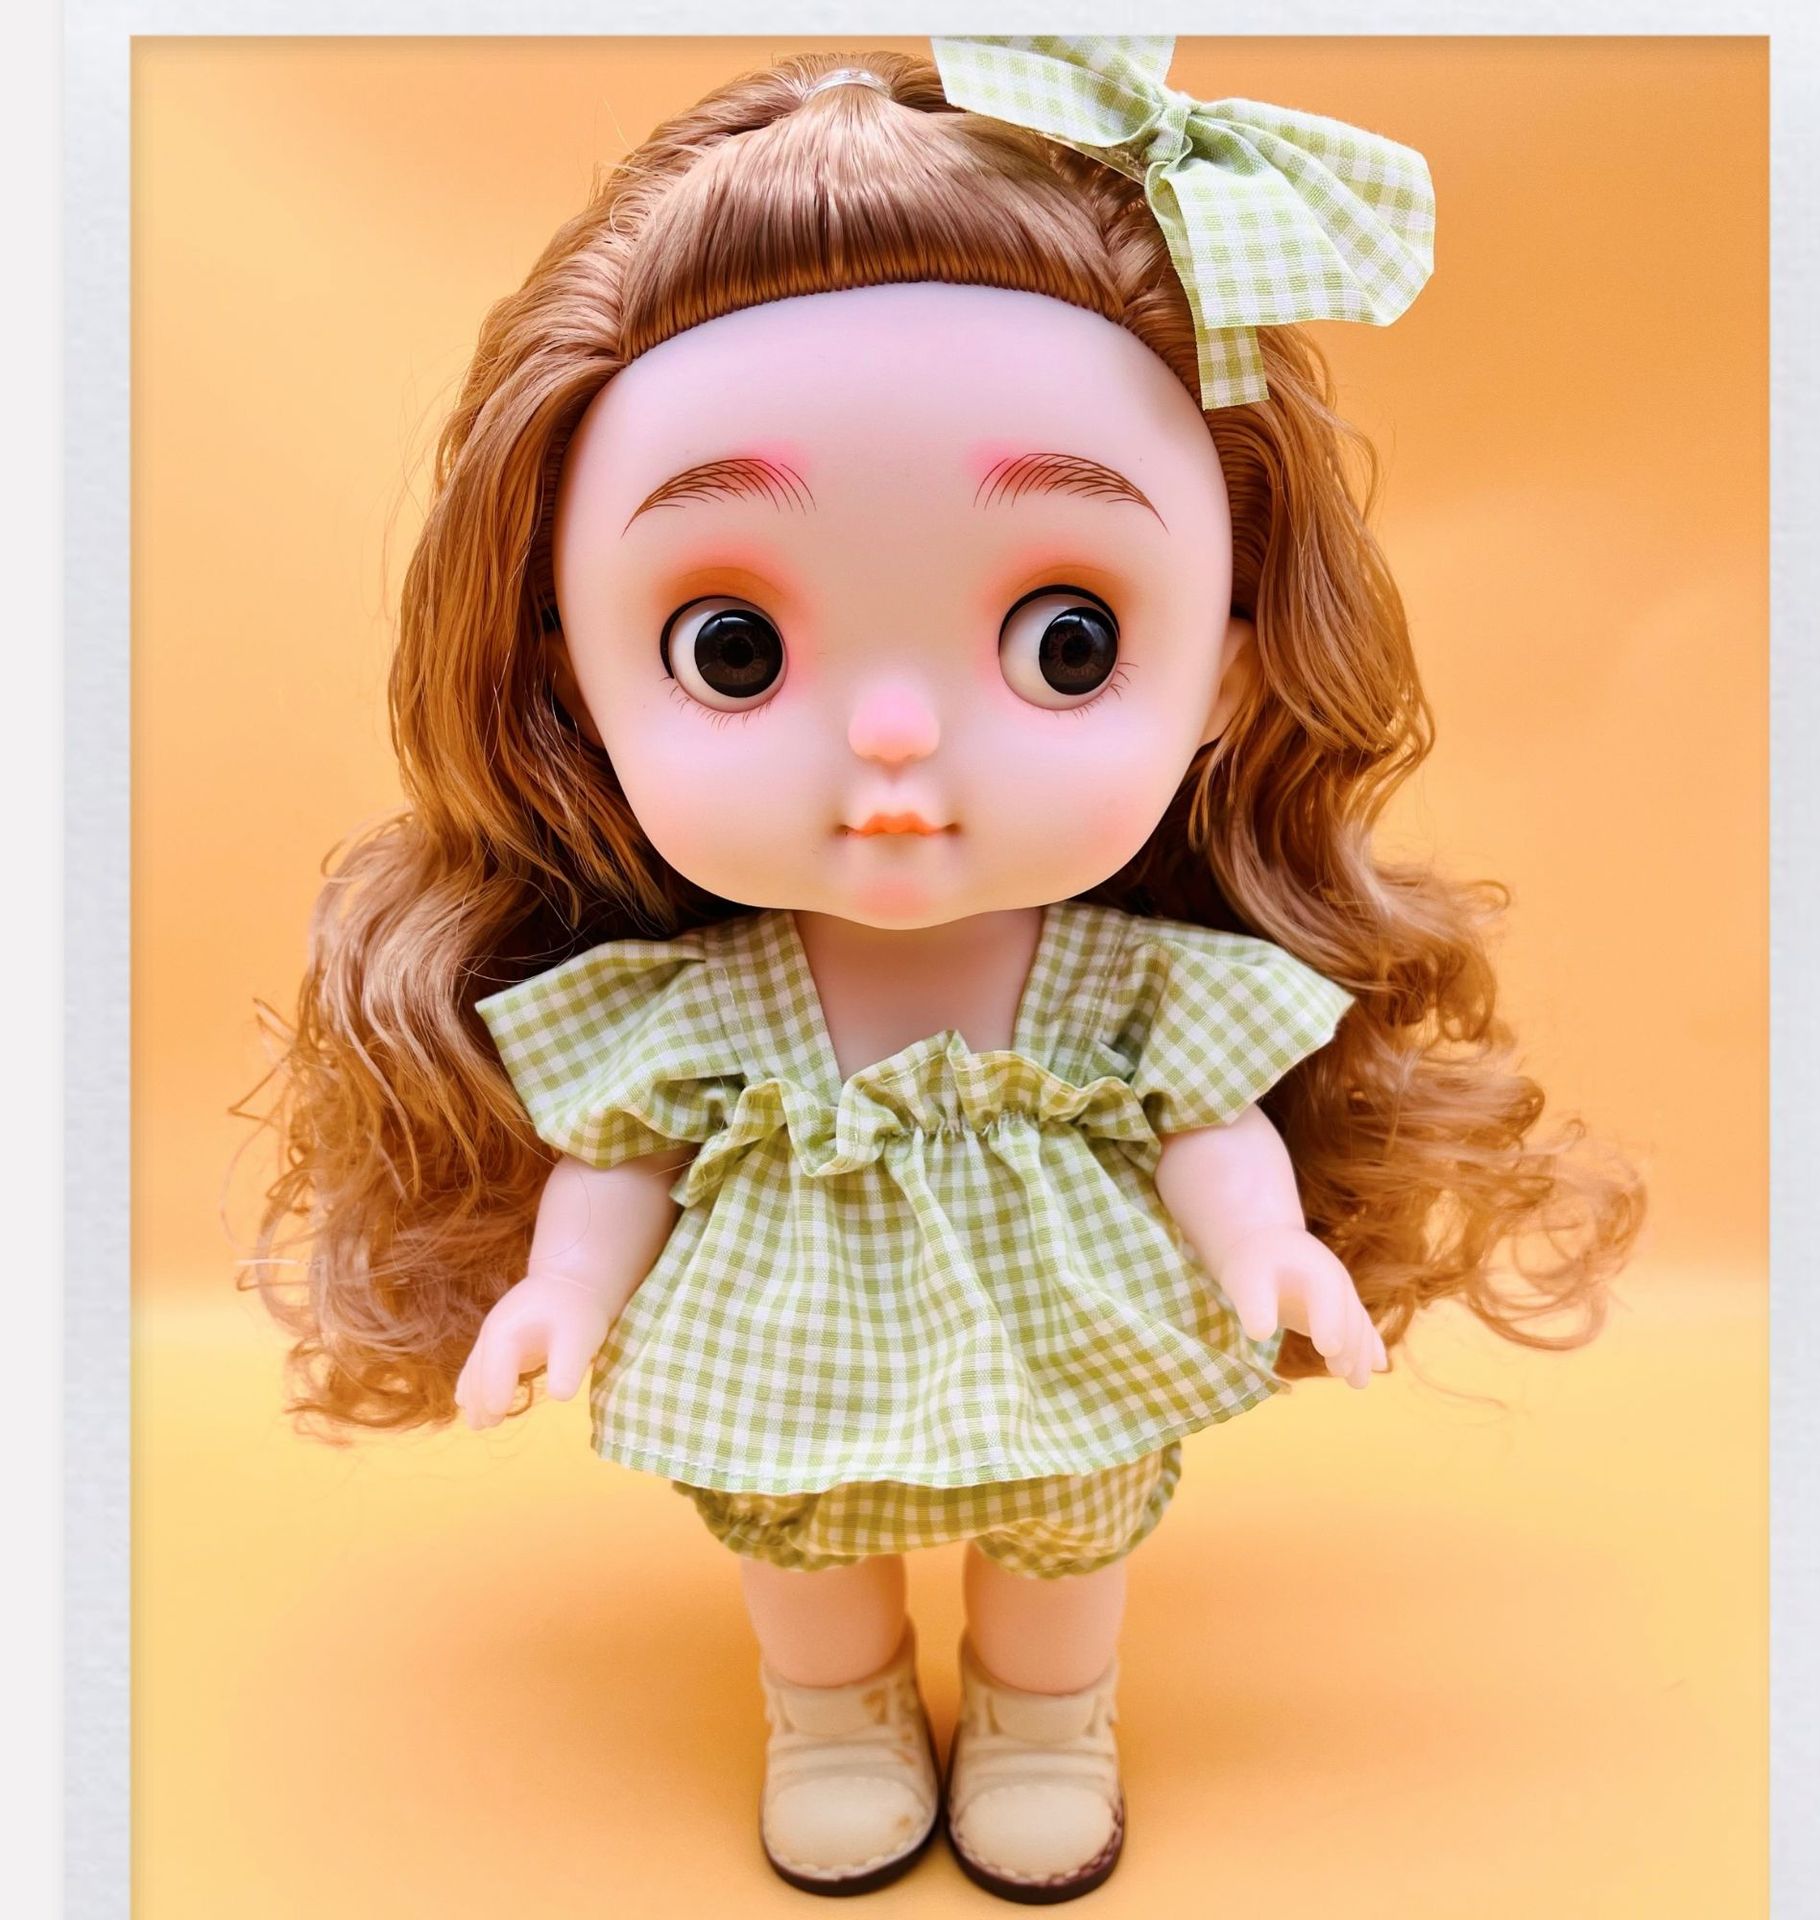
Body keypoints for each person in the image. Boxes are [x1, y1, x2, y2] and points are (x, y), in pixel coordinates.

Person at [250, 38, 1642, 1901]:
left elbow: (1210, 1126)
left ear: (1225, 676)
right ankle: (831, 1721)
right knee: (800, 1548)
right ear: (570, 682)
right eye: (733, 647)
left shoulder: (1124, 986)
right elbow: (620, 1157)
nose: (895, 739)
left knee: (1073, 1546)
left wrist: (1269, 1246)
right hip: (784, 1371)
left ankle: (1045, 1725)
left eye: (1069, 641)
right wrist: (562, 1293)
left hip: (1072, 1354)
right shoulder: (705, 1005)